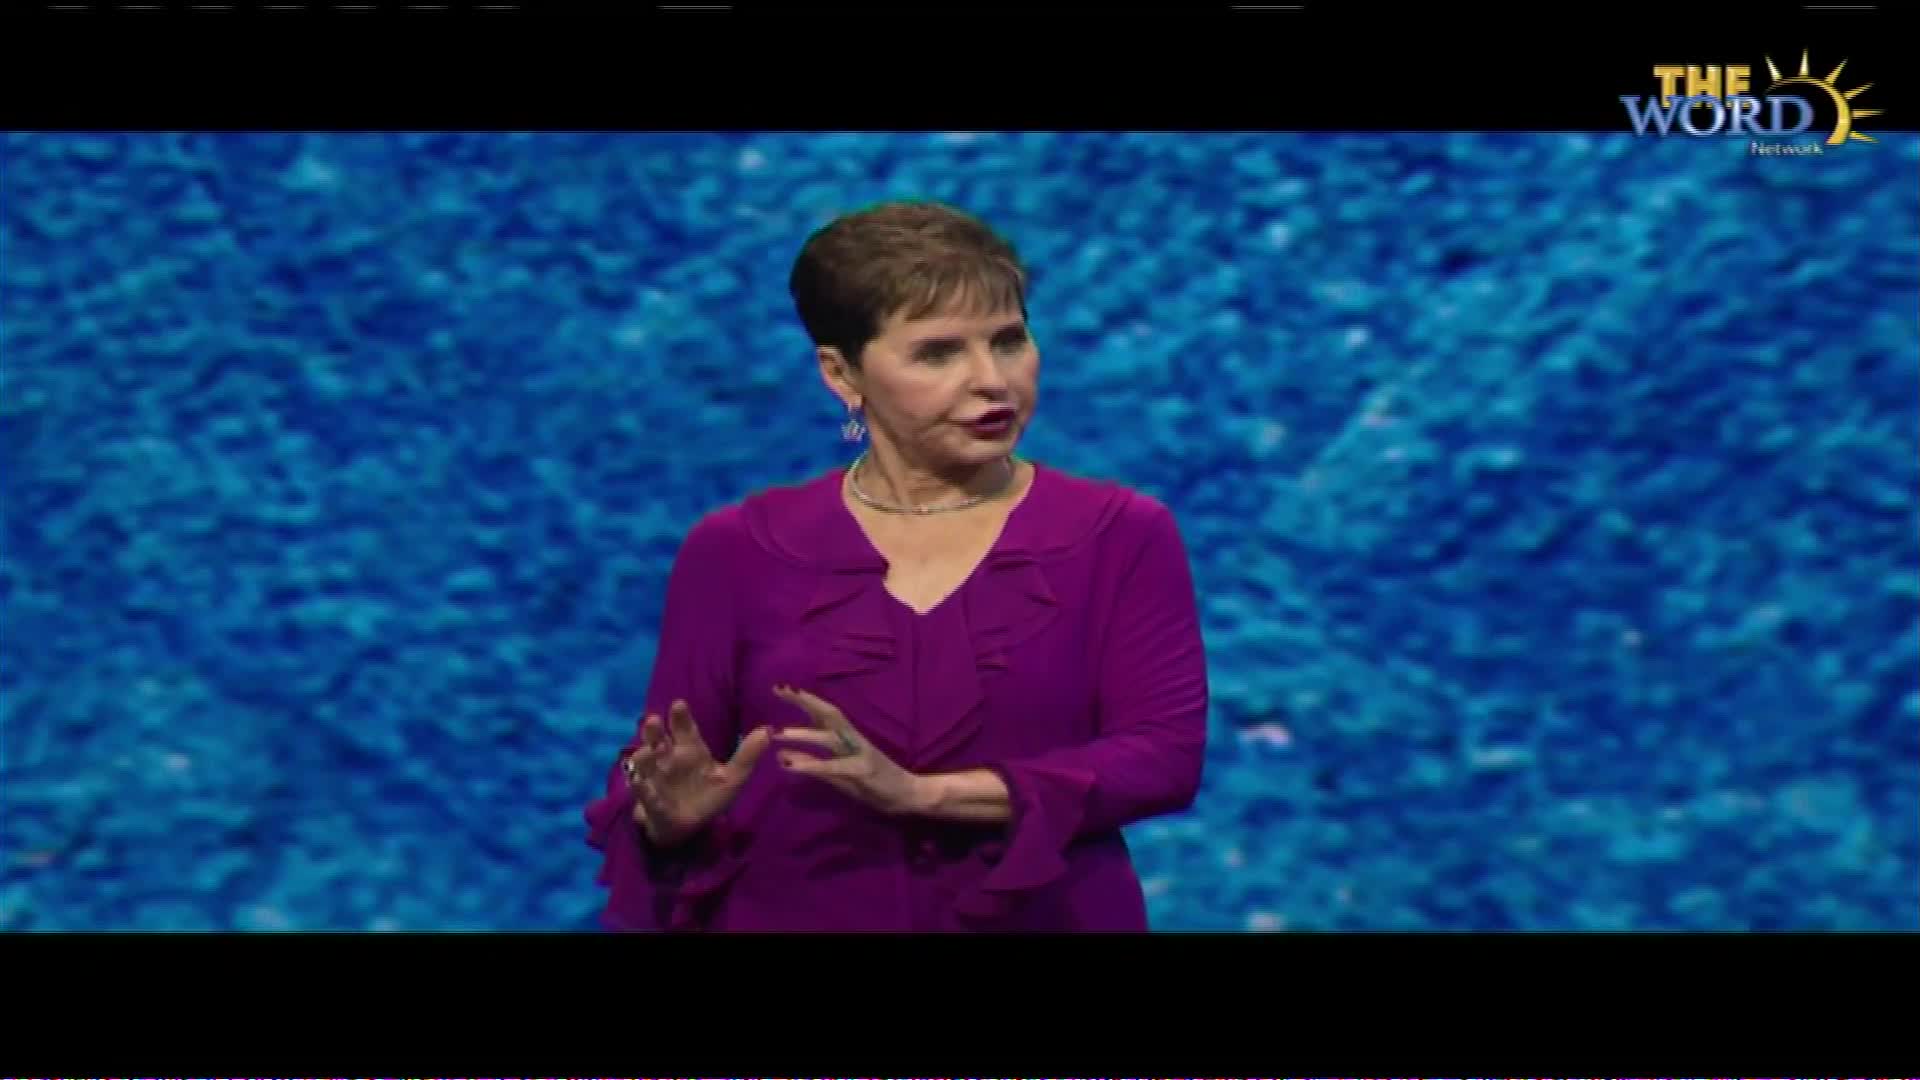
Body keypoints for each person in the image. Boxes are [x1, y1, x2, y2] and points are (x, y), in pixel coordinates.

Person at [583, 200, 1209, 931]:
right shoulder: (736, 549)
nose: (992, 381)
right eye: (939, 353)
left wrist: (922, 795)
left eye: (1009, 341)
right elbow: (663, 762)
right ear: (842, 374)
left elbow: (1162, 759)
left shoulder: (1120, 534)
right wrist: (666, 816)